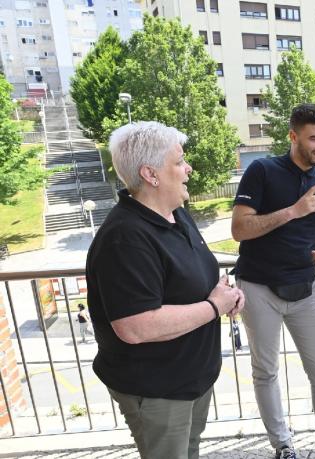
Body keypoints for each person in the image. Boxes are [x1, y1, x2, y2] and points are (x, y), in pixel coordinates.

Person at [86, 121, 245, 459]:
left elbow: (192, 279)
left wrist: (223, 292)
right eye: (179, 161)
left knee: (189, 451)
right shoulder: (125, 238)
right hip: (157, 389)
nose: (188, 169)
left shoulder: (176, 214)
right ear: (150, 174)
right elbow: (135, 326)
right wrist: (214, 307)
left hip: (191, 380)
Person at [231, 103, 315, 459]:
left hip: (306, 291)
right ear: (293, 136)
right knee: (265, 372)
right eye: (314, 138)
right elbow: (239, 229)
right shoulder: (262, 171)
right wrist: (294, 211)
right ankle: (283, 445)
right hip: (258, 288)